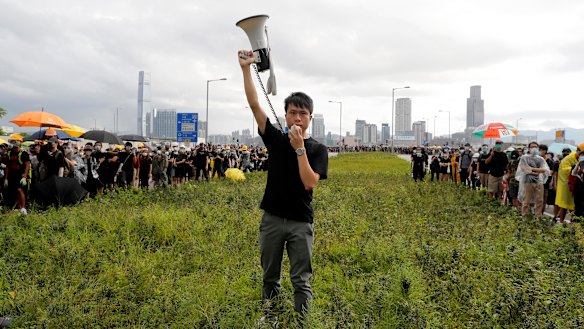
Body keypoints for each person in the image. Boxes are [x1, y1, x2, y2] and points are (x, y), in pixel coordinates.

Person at [239, 49, 328, 319]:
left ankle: (302, 321)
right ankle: (271, 317)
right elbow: (256, 105)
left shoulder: (317, 149)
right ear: (286, 116)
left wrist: (300, 149)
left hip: (301, 221)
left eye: (302, 113)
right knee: (270, 277)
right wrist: (246, 69)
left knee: (301, 279)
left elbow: (310, 182)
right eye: (292, 113)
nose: (297, 118)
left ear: (311, 117)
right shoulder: (275, 140)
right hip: (272, 219)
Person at [516, 142, 550, 217]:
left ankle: (538, 217)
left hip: (539, 182)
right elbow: (524, 169)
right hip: (527, 182)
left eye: (535, 147)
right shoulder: (524, 158)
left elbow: (545, 170)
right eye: (532, 147)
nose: (534, 148)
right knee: (526, 201)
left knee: (539, 201)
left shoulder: (540, 159)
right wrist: (537, 170)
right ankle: (525, 217)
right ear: (529, 148)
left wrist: (531, 170)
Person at [555, 143, 584, 222]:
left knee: (575, 205)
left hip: (577, 185)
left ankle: (574, 222)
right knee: (565, 205)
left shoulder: (578, 159)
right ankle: (562, 222)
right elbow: (568, 170)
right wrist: (577, 167)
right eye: (582, 153)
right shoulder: (568, 159)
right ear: (578, 151)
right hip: (566, 185)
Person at [2, 141, 30, 215]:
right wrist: (6, 178)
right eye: (14, 147)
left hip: (20, 175)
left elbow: (27, 165)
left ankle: (23, 208)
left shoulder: (24, 153)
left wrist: (25, 177)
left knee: (20, 190)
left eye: (16, 147)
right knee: (14, 191)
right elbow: (7, 166)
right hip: (12, 175)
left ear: (19, 147)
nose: (15, 149)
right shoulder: (9, 153)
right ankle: (17, 207)